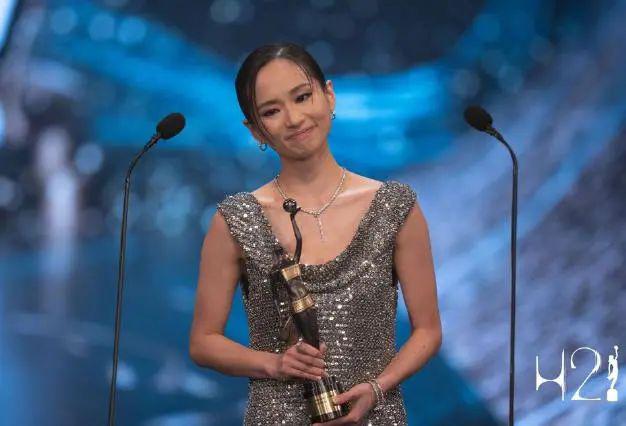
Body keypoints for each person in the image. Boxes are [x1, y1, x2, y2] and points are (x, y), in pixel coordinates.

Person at [189, 42, 442, 425]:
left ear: (329, 95)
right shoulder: (236, 219)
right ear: (255, 130)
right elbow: (203, 342)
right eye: (271, 111)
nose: (294, 119)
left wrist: (377, 388)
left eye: (302, 97)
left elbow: (428, 331)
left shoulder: (394, 206)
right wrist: (274, 364)